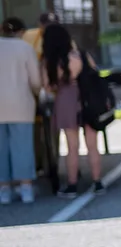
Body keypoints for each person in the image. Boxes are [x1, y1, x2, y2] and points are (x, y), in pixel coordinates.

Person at [42, 24, 104, 198]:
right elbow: (95, 74)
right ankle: (97, 182)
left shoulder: (53, 61)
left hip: (66, 101)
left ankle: (72, 185)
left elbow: (48, 87)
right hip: (87, 100)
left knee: (72, 146)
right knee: (92, 145)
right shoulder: (82, 55)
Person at [0, 17, 41, 204]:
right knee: (22, 146)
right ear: (21, 31)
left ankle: (4, 190)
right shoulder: (25, 48)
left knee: (1, 149)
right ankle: (26, 188)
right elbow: (35, 80)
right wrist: (36, 93)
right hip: (21, 102)